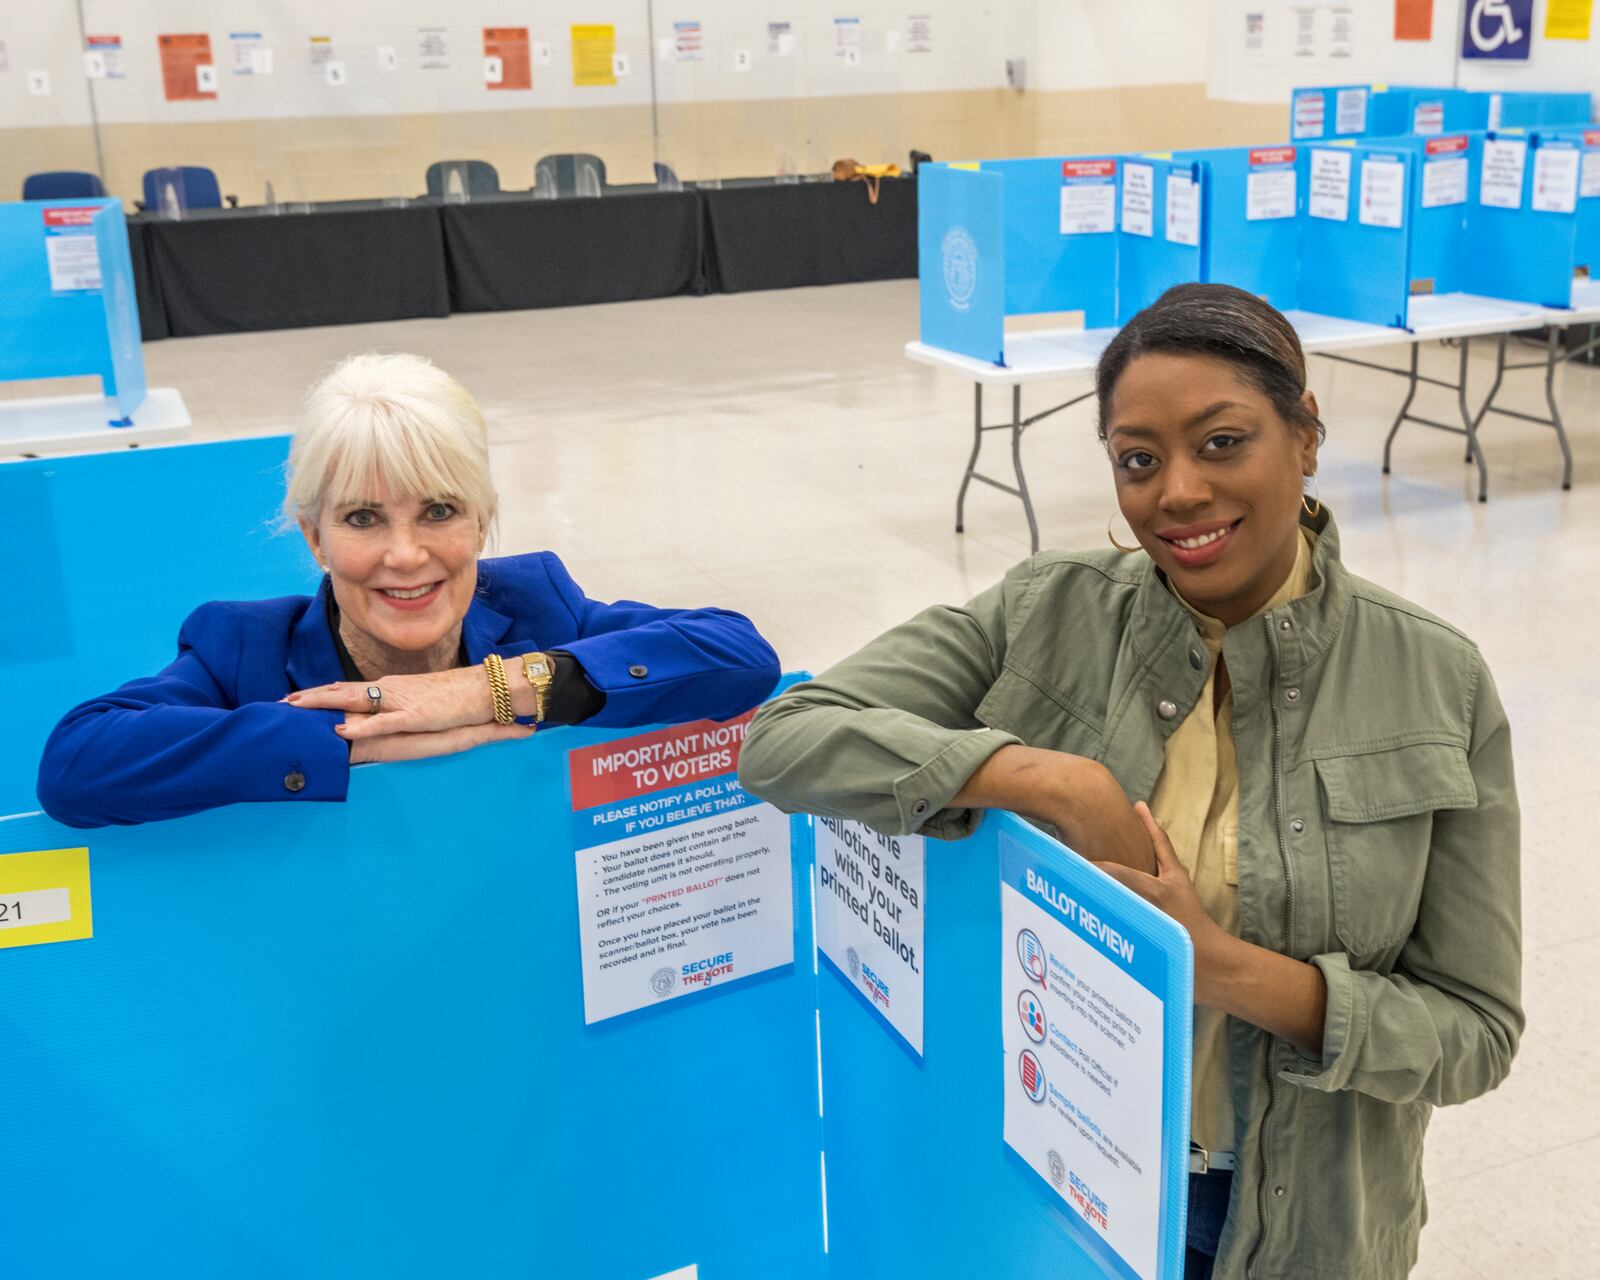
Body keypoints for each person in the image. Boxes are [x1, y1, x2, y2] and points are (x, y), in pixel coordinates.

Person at [738, 284, 1521, 1279]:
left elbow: (1476, 1028)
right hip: (1053, 1178)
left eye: (1221, 441)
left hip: (1296, 1217)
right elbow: (785, 736)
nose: (1177, 492)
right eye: (1138, 460)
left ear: (1306, 432)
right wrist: (1052, 781)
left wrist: (1223, 965)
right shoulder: (1043, 613)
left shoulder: (1435, 681)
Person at [39, 352, 780, 829]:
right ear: (314, 538)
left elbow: (741, 655)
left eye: (439, 511)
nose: (406, 554)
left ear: (483, 519)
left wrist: (486, 690)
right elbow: (75, 765)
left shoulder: (538, 604)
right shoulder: (241, 648)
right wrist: (351, 740)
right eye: (363, 518)